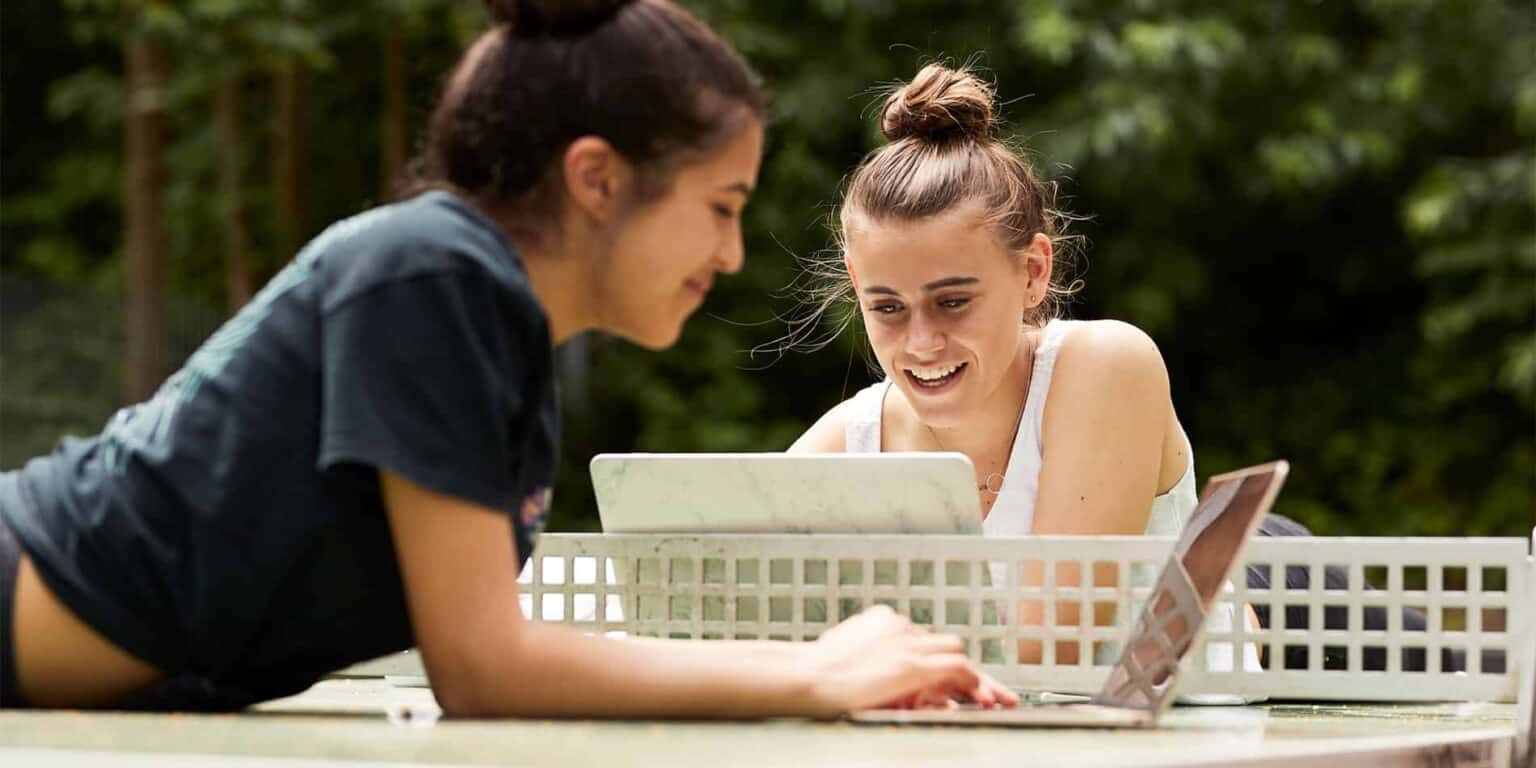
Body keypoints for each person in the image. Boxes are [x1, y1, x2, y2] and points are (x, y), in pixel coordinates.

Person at [0, 1, 1014, 716]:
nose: (732, 254)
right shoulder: (431, 275)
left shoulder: (498, 332)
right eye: (720, 207)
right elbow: (483, 666)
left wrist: (828, 665)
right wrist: (813, 674)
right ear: (597, 179)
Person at [788, 63, 1257, 671]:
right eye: (887, 307)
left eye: (953, 301)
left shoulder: (1107, 363)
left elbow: (1045, 655)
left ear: (1034, 271)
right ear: (857, 286)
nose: (923, 342)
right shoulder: (848, 439)